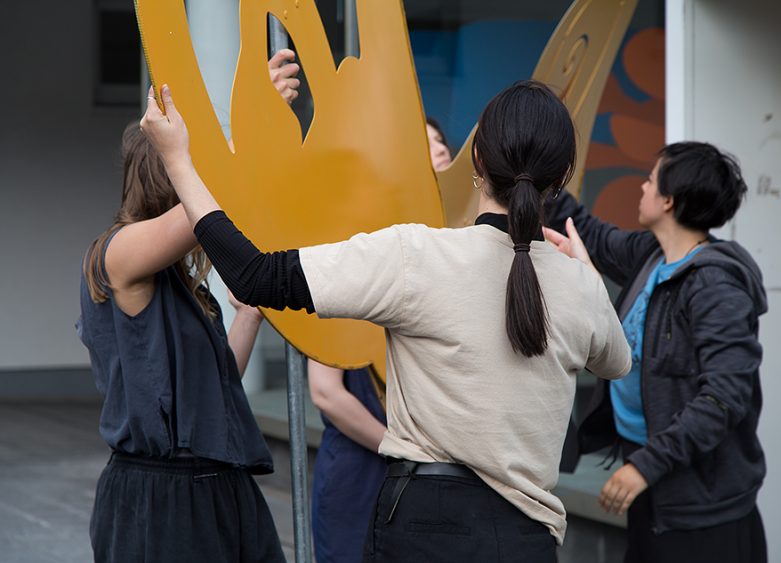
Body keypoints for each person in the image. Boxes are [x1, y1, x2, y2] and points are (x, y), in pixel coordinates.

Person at [141, 79, 631, 562]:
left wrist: (179, 161)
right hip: (528, 537)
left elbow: (255, 276)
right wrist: (582, 268)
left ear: (477, 159)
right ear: (562, 177)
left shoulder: (414, 256)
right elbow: (618, 363)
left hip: (424, 524)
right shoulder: (580, 286)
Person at [75, 54, 301, 563]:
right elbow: (209, 204)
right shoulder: (116, 253)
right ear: (164, 170)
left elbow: (218, 387)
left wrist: (248, 316)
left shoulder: (182, 280)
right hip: (161, 500)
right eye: (190, 162)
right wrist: (254, 127)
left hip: (220, 487)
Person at [546, 142, 767, 563]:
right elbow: (588, 230)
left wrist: (647, 464)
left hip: (701, 509)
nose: (642, 187)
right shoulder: (651, 255)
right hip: (650, 486)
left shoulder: (716, 285)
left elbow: (725, 396)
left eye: (650, 179)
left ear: (668, 200)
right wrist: (541, 176)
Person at [308, 115, 453, 563]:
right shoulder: (354, 250)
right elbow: (326, 393)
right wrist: (401, 447)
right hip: (362, 472)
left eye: (442, 140)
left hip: (434, 475)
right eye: (427, 143)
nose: (443, 149)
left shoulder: (455, 251)